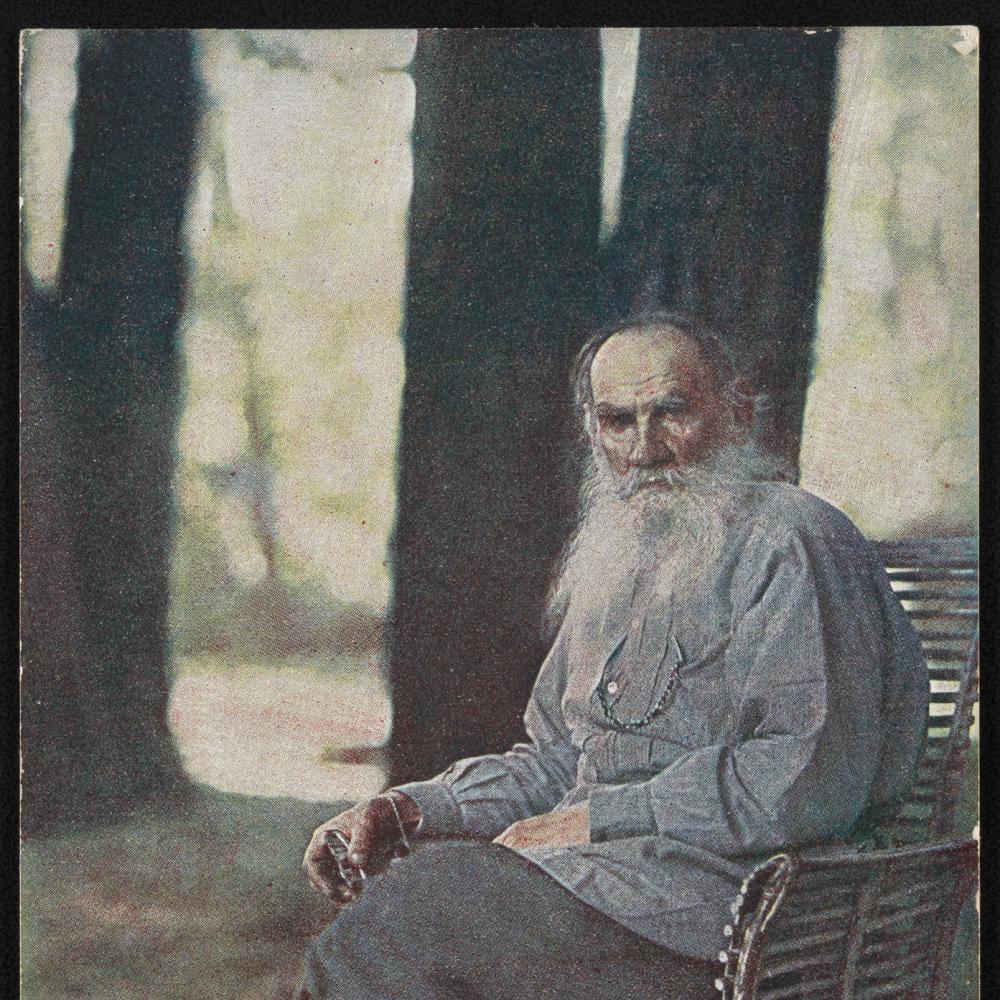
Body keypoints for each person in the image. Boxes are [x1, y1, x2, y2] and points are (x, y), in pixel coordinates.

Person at [298, 312, 928, 1000]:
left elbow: (806, 776)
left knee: (417, 908)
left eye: (673, 413)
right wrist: (414, 808)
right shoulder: (619, 550)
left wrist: (599, 819)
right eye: (618, 421)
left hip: (737, 919)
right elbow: (558, 757)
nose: (645, 450)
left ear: (739, 411)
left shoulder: (790, 537)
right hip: (601, 896)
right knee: (411, 903)